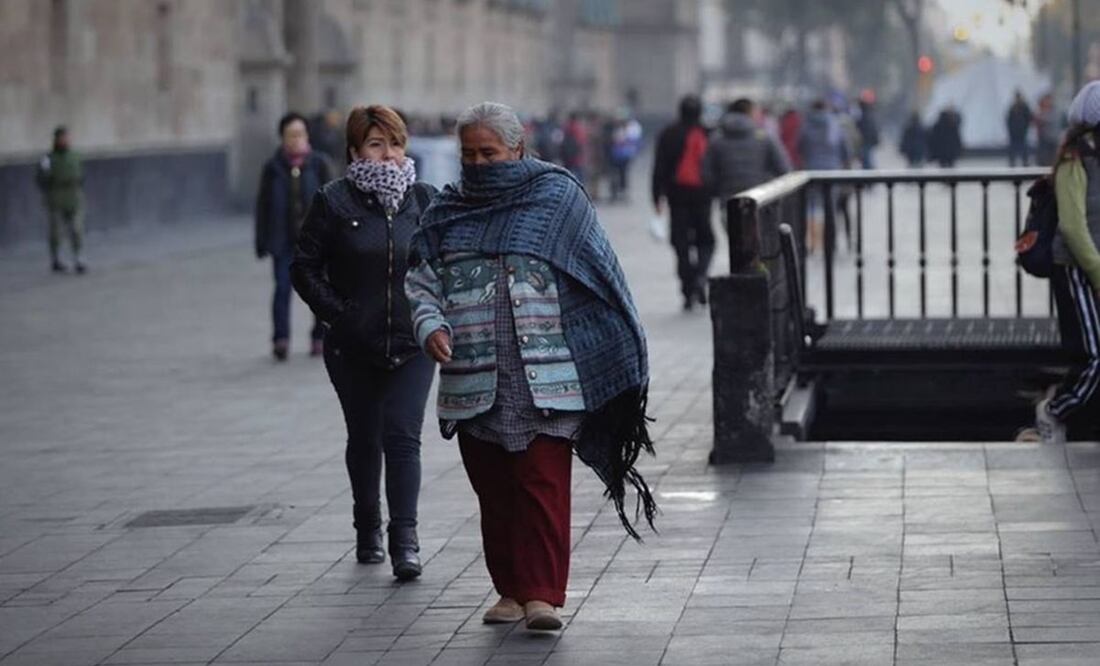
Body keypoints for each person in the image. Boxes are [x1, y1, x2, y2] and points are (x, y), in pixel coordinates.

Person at [405, 101, 655, 632]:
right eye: (468, 154)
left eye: (488, 153)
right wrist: (430, 326)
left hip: (548, 375)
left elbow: (596, 274)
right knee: (494, 491)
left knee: (541, 485)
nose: (477, 164)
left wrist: (606, 346)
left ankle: (542, 594)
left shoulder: (556, 198)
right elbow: (422, 282)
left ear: (517, 149)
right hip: (472, 377)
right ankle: (510, 592)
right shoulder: (445, 213)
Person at [291, 105, 437, 579]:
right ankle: (367, 526)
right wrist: (340, 315)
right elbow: (304, 268)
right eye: (376, 144)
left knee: (403, 436)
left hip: (412, 344)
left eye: (395, 143)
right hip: (352, 346)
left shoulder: (424, 199)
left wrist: (434, 316)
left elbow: (443, 264)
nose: (389, 154)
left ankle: (406, 540)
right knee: (365, 437)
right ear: (355, 150)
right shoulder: (334, 201)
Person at [1034, 82, 1100, 445]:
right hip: (1076, 269)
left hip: (1093, 269)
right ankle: (1054, 410)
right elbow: (1073, 228)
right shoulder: (1075, 160)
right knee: (1094, 357)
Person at [255, 112, 331, 361]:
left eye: (299, 134)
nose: (295, 140)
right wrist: (261, 240)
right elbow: (263, 205)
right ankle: (281, 339)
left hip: (315, 243)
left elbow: (333, 204)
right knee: (282, 289)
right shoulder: (273, 167)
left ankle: (319, 336)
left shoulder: (319, 164)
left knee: (319, 290)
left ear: (307, 136)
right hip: (282, 240)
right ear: (282, 138)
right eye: (290, 135)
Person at [652, 95, 715, 310]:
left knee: (681, 244)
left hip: (676, 197)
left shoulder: (668, 134)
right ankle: (701, 276)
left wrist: (656, 197)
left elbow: (659, 167)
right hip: (703, 196)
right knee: (706, 240)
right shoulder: (708, 133)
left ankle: (687, 289)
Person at [702, 98, 791, 209]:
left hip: (728, 200)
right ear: (750, 112)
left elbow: (707, 172)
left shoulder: (716, 139)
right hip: (759, 198)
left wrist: (718, 190)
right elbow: (784, 169)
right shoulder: (765, 138)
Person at [799, 99, 850, 253]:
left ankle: (811, 243)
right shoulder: (835, 126)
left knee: (811, 208)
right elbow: (845, 150)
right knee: (831, 208)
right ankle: (830, 243)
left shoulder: (806, 126)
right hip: (832, 172)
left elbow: (801, 147)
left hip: (812, 171)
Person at [36, 126, 86, 274]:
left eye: (67, 137)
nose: (65, 140)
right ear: (56, 139)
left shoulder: (75, 155)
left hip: (74, 197)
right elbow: (41, 178)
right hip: (56, 198)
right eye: (62, 137)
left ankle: (78, 258)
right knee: (56, 231)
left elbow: (81, 175)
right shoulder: (48, 158)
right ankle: (56, 258)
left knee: (77, 229)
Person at [1006, 90, 1034, 167]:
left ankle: (1025, 161)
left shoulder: (1024, 107)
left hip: (1022, 132)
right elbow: (1009, 120)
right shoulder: (1013, 107)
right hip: (1014, 133)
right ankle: (1012, 161)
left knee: (1024, 147)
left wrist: (1025, 128)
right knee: (1013, 148)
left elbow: (1029, 118)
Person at [1035, 93, 1061, 168]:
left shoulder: (1054, 110)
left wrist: (1041, 117)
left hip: (1052, 139)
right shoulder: (1041, 110)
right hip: (1043, 139)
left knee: (1052, 159)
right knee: (1042, 160)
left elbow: (1051, 119)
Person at [856, 95, 881, 169]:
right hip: (868, 140)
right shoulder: (870, 112)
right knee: (867, 158)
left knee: (867, 159)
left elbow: (866, 128)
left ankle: (869, 176)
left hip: (866, 140)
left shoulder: (865, 114)